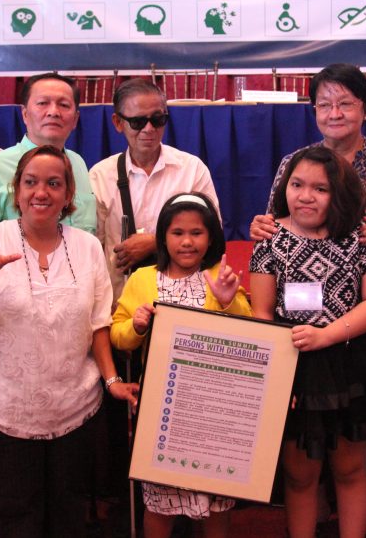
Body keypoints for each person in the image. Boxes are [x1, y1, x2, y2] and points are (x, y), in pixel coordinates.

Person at [249, 63, 366, 536]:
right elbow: (272, 228)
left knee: (356, 451)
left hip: (363, 338)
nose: (335, 112)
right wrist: (262, 232)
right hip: (295, 350)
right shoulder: (297, 163)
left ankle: (365, 523)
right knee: (302, 466)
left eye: (346, 102)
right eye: (324, 103)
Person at [0, 145, 139, 538]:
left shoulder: (86, 247)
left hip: (75, 410)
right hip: (5, 412)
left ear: (69, 195)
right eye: (31, 182)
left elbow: (99, 323)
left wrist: (112, 380)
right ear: (16, 190)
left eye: (54, 184)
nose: (41, 192)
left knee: (68, 516)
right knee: (17, 519)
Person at [249, 146, 366, 538]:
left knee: (350, 469)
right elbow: (261, 312)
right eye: (297, 184)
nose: (305, 196)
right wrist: (278, 374)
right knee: (299, 474)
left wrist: (326, 334)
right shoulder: (269, 238)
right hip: (293, 365)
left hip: (348, 361)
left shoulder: (360, 236)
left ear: (339, 194)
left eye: (320, 188)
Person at [110, 192, 251, 538]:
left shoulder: (222, 274)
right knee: (160, 503)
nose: (187, 242)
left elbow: (249, 335)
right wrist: (137, 326)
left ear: (211, 237)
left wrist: (227, 302)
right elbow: (118, 335)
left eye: (197, 233)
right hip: (163, 412)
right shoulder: (142, 279)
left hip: (215, 412)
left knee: (218, 501)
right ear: (163, 237)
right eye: (177, 233)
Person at [90, 78, 219, 302]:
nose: (149, 129)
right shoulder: (101, 175)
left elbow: (213, 235)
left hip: (185, 301)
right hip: (121, 302)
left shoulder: (191, 168)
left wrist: (154, 242)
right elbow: (91, 248)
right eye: (138, 121)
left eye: (157, 119)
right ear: (118, 123)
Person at [0, 72, 95, 240]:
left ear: (75, 119)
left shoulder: (78, 163)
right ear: (24, 114)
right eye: (42, 103)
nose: (53, 112)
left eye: (63, 105)